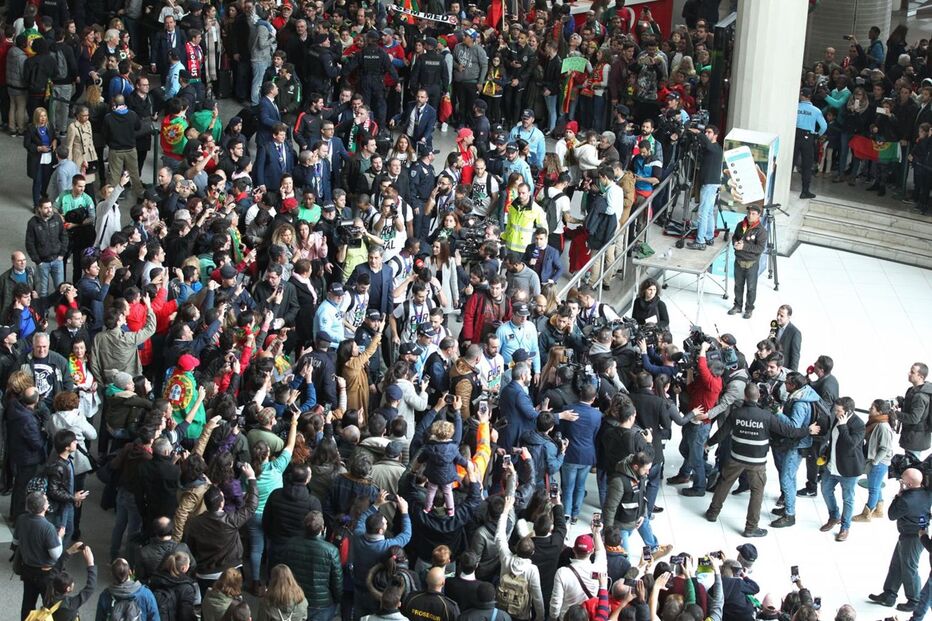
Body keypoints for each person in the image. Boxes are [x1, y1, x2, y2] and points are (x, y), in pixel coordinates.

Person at [706, 383, 817, 538]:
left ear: (745, 396)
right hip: (757, 462)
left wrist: (708, 443)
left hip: (736, 457)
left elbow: (722, 432)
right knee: (757, 492)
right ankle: (751, 528)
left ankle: (712, 512)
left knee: (724, 483)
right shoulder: (767, 416)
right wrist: (808, 430)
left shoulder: (736, 413)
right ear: (758, 397)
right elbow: (789, 431)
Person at [870, 468, 932, 610]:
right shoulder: (927, 493)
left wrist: (898, 496)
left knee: (909, 568)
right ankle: (889, 594)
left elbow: (891, 515)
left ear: (909, 484)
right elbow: (923, 514)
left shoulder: (905, 500)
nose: (900, 482)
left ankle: (914, 600)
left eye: (902, 480)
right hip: (920, 530)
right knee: (897, 564)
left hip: (911, 537)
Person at [278, 510, 342, 621]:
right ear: (322, 528)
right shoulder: (331, 550)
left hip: (295, 599)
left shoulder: (290, 544)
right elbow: (337, 581)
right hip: (321, 604)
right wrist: (338, 599)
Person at [819, 397, 866, 542]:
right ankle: (834, 516)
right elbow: (833, 440)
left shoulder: (858, 424)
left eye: (838, 410)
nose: (835, 412)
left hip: (848, 469)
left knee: (848, 498)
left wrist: (843, 426)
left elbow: (850, 444)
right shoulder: (838, 417)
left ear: (848, 412)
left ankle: (845, 527)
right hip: (832, 465)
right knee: (825, 490)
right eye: (836, 409)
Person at [560, 383, 601, 523]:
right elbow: (596, 435)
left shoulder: (567, 410)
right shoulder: (597, 415)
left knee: (568, 487)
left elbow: (562, 430)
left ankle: (566, 514)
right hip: (587, 455)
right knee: (580, 486)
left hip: (570, 454)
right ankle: (575, 514)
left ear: (579, 395)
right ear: (594, 398)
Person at [685, 125, 723, 250]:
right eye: (705, 132)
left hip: (710, 184)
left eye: (709, 132)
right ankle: (708, 237)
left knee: (702, 213)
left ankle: (700, 241)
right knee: (709, 212)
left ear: (715, 135)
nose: (706, 134)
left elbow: (707, 144)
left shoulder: (715, 148)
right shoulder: (711, 149)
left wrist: (698, 133)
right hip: (710, 184)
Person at [729, 204, 768, 319]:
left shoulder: (761, 231)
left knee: (751, 288)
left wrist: (744, 247)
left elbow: (759, 249)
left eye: (753, 214)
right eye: (749, 213)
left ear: (759, 216)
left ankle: (749, 309)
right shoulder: (740, 225)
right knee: (738, 285)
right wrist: (735, 243)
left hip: (751, 264)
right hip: (739, 262)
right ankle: (737, 306)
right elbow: (734, 237)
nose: (750, 216)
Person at [95, 558, 161, 621]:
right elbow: (155, 618)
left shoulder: (105, 595)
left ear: (112, 574)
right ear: (130, 572)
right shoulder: (146, 594)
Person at [795, 87, 828, 199]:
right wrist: (817, 135)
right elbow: (824, 126)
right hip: (808, 137)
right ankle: (805, 191)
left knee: (790, 163)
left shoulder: (795, 107)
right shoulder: (816, 110)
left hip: (795, 135)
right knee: (807, 165)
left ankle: (780, 188)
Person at [900, 363, 932, 459]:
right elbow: (912, 407)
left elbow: (914, 418)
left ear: (920, 376)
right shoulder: (912, 390)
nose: (909, 373)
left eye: (912, 372)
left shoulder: (920, 396)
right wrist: (901, 401)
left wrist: (895, 414)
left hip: (915, 438)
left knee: (912, 467)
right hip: (913, 436)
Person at [774, 304, 802, 372]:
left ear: (788, 317)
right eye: (778, 314)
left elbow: (795, 355)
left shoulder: (795, 333)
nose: (778, 317)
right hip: (772, 365)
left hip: (783, 368)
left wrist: (792, 374)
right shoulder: (775, 326)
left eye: (782, 316)